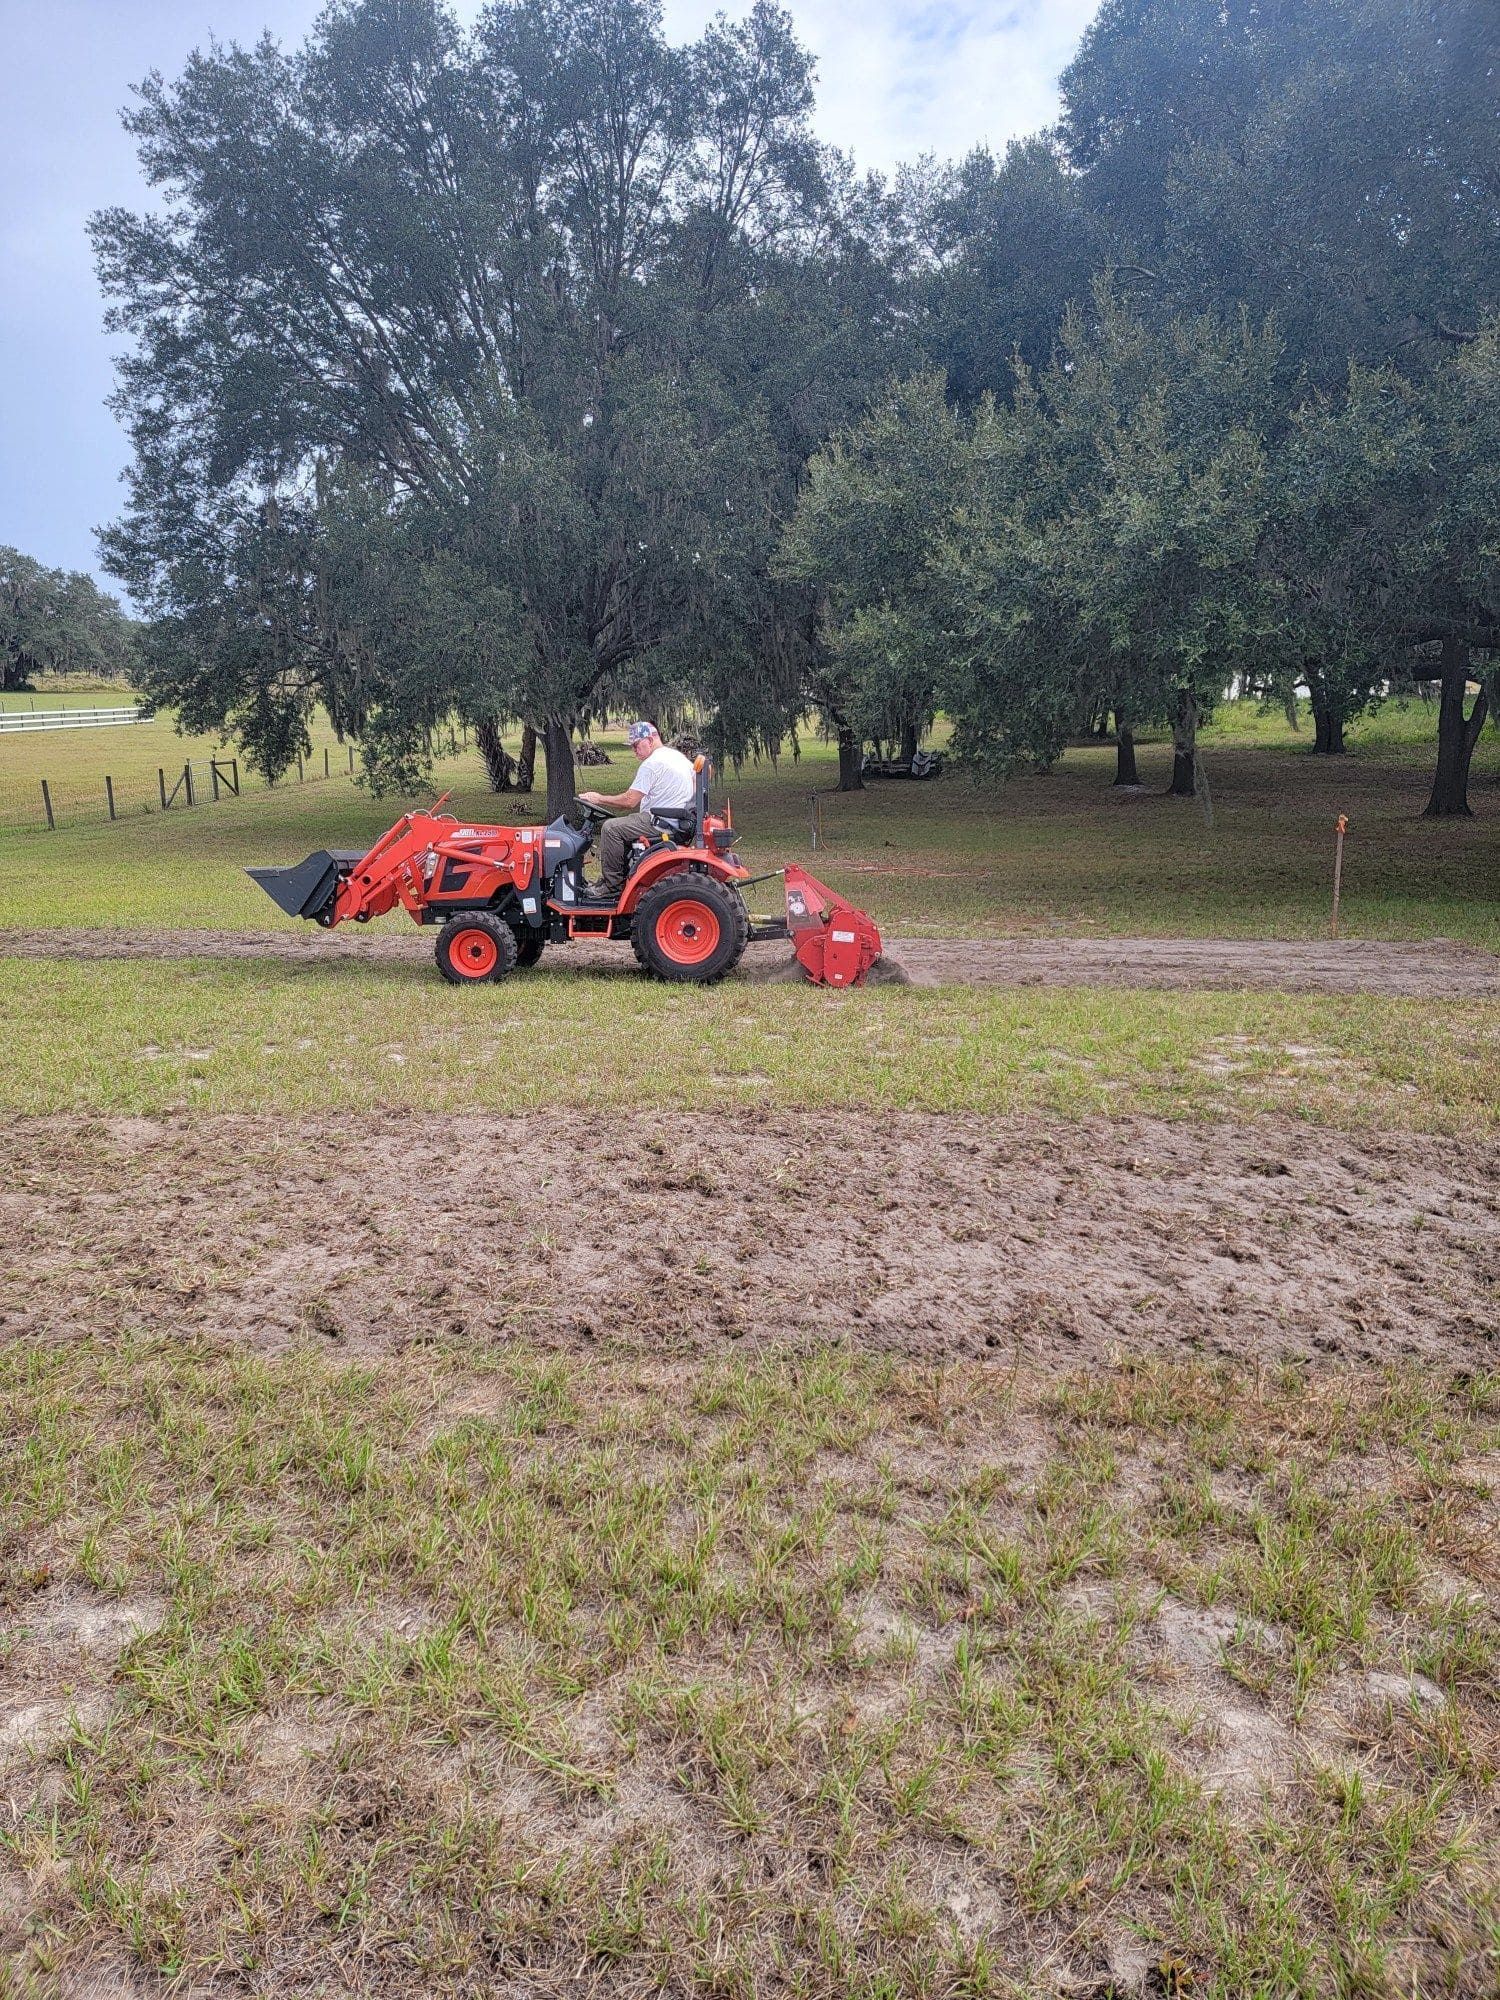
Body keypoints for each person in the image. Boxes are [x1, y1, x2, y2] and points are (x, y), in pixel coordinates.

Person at [577, 721, 697, 901]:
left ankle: (611, 887)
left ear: (649, 740)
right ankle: (612, 879)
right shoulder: (678, 758)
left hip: (660, 823)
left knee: (611, 828)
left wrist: (598, 798)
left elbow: (629, 801)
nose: (634, 750)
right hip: (675, 821)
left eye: (636, 745)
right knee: (626, 823)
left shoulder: (653, 763)